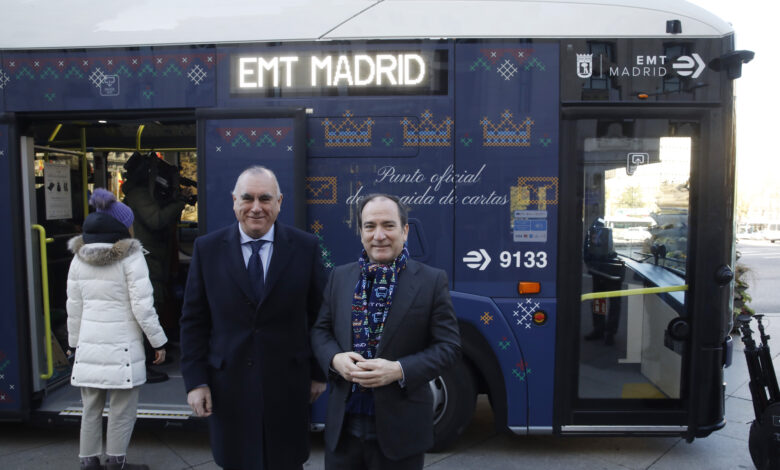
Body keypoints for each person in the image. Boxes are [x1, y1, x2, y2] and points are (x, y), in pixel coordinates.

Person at [180, 166, 327, 470]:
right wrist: (196, 382)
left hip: (288, 387)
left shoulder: (306, 248)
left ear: (279, 202)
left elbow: (319, 316)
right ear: (234, 201)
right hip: (228, 388)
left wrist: (318, 373)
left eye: (265, 199)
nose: (256, 208)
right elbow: (194, 321)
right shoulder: (207, 250)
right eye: (247, 198)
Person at [311, 193, 461, 470]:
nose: (379, 235)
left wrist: (399, 369)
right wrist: (335, 360)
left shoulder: (431, 280)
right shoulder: (340, 277)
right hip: (343, 431)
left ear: (404, 231)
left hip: (401, 433)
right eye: (370, 226)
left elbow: (449, 346)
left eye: (388, 225)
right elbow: (320, 331)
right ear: (361, 233)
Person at [66, 188, 167, 470]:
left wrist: (74, 344)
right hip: (123, 348)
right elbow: (143, 307)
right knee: (122, 410)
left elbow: (74, 307)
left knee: (90, 408)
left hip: (88, 345)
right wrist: (158, 342)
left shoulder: (78, 257)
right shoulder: (132, 257)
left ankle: (88, 462)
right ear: (122, 226)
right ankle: (116, 462)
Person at [122, 153, 190, 382]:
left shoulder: (144, 193)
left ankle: (153, 354)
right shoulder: (138, 194)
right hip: (145, 258)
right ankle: (144, 362)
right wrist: (179, 203)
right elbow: (156, 219)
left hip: (153, 257)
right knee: (147, 308)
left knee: (156, 305)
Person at [583, 217, 625, 345]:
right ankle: (601, 329)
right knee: (600, 301)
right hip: (601, 270)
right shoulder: (595, 233)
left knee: (610, 302)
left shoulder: (601, 233)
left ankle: (608, 331)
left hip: (608, 270)